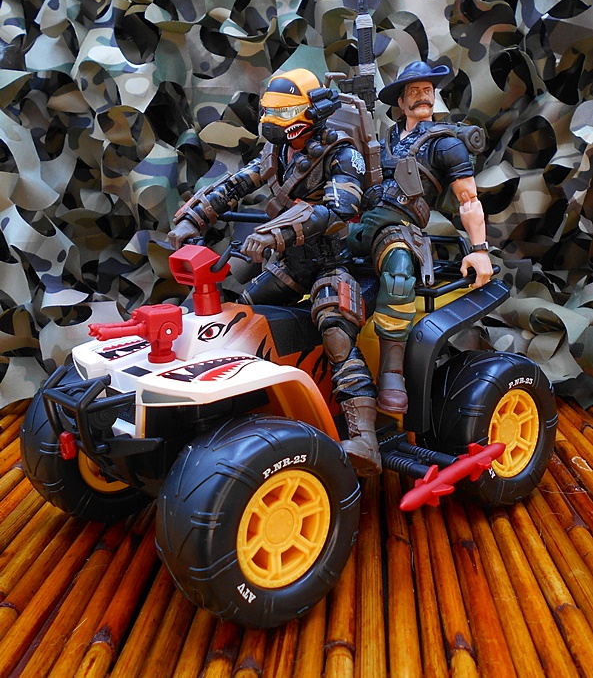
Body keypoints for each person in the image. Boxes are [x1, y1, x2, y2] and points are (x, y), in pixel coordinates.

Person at [168, 68, 382, 476]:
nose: (271, 121)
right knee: (238, 315)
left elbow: (338, 210)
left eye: (283, 113)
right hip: (291, 265)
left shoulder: (342, 153)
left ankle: (365, 439)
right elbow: (235, 184)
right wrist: (194, 218)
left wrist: (275, 233)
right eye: (269, 112)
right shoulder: (277, 153)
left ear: (311, 113)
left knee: (336, 333)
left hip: (333, 263)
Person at [349, 60, 493, 415]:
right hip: (362, 222)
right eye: (413, 91)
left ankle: (391, 373)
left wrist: (479, 250)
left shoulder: (444, 144)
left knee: (399, 273)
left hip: (399, 228)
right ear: (400, 102)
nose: (422, 96)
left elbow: (468, 198)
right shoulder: (383, 139)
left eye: (427, 90)